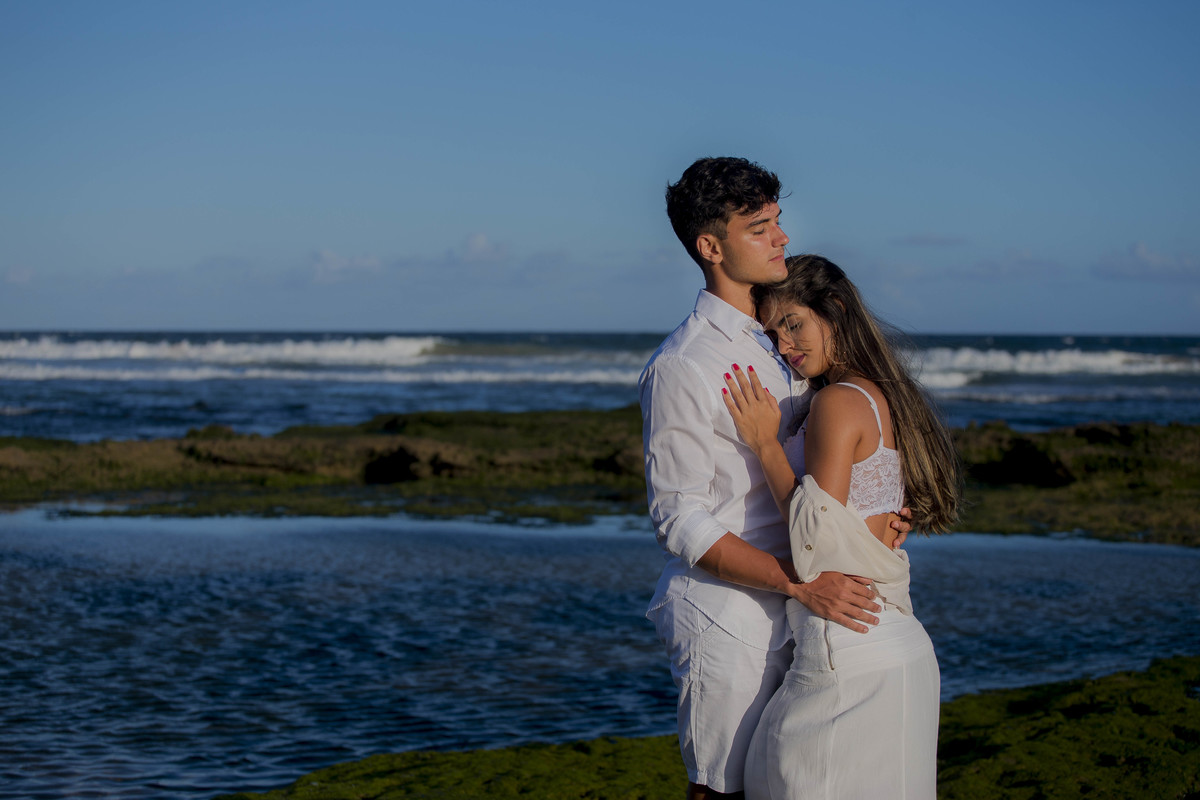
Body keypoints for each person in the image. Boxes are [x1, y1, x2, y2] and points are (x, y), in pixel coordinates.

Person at [641, 158, 910, 799]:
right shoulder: (685, 364)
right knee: (723, 791)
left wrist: (882, 511)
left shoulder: (783, 333)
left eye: (778, 223)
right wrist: (799, 581)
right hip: (731, 615)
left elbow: (839, 451)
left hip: (813, 608)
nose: (781, 239)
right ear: (711, 247)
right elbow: (678, 519)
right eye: (759, 228)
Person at [721, 254, 962, 799]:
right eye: (773, 334)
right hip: (894, 643)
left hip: (848, 648)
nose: (784, 346)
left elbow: (817, 539)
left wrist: (764, 444)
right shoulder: (886, 394)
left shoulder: (836, 401)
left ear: (836, 309)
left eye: (794, 325)